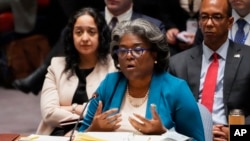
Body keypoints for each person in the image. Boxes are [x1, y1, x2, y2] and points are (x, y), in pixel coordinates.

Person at [75, 18, 205, 141]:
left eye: (137, 50)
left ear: (155, 54)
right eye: (123, 50)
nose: (129, 56)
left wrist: (164, 134)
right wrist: (93, 129)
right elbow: (79, 136)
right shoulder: (109, 84)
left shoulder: (176, 89)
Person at [12, 0, 165, 96]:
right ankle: (42, 75)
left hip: (130, 85)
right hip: (85, 78)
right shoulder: (88, 19)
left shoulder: (151, 26)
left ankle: (36, 78)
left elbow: (160, 65)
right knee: (73, 29)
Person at [169, 0, 250, 140]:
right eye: (204, 17)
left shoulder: (247, 58)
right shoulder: (178, 63)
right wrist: (199, 131)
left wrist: (235, 133)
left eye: (217, 17)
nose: (209, 23)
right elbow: (169, 115)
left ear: (230, 22)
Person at [36, 7, 117, 135]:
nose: (84, 38)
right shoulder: (57, 66)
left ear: (100, 35)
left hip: (97, 134)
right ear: (71, 36)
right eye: (78, 32)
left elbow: (109, 112)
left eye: (91, 32)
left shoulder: (113, 67)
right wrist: (87, 115)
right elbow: (49, 113)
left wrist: (72, 108)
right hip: (58, 133)